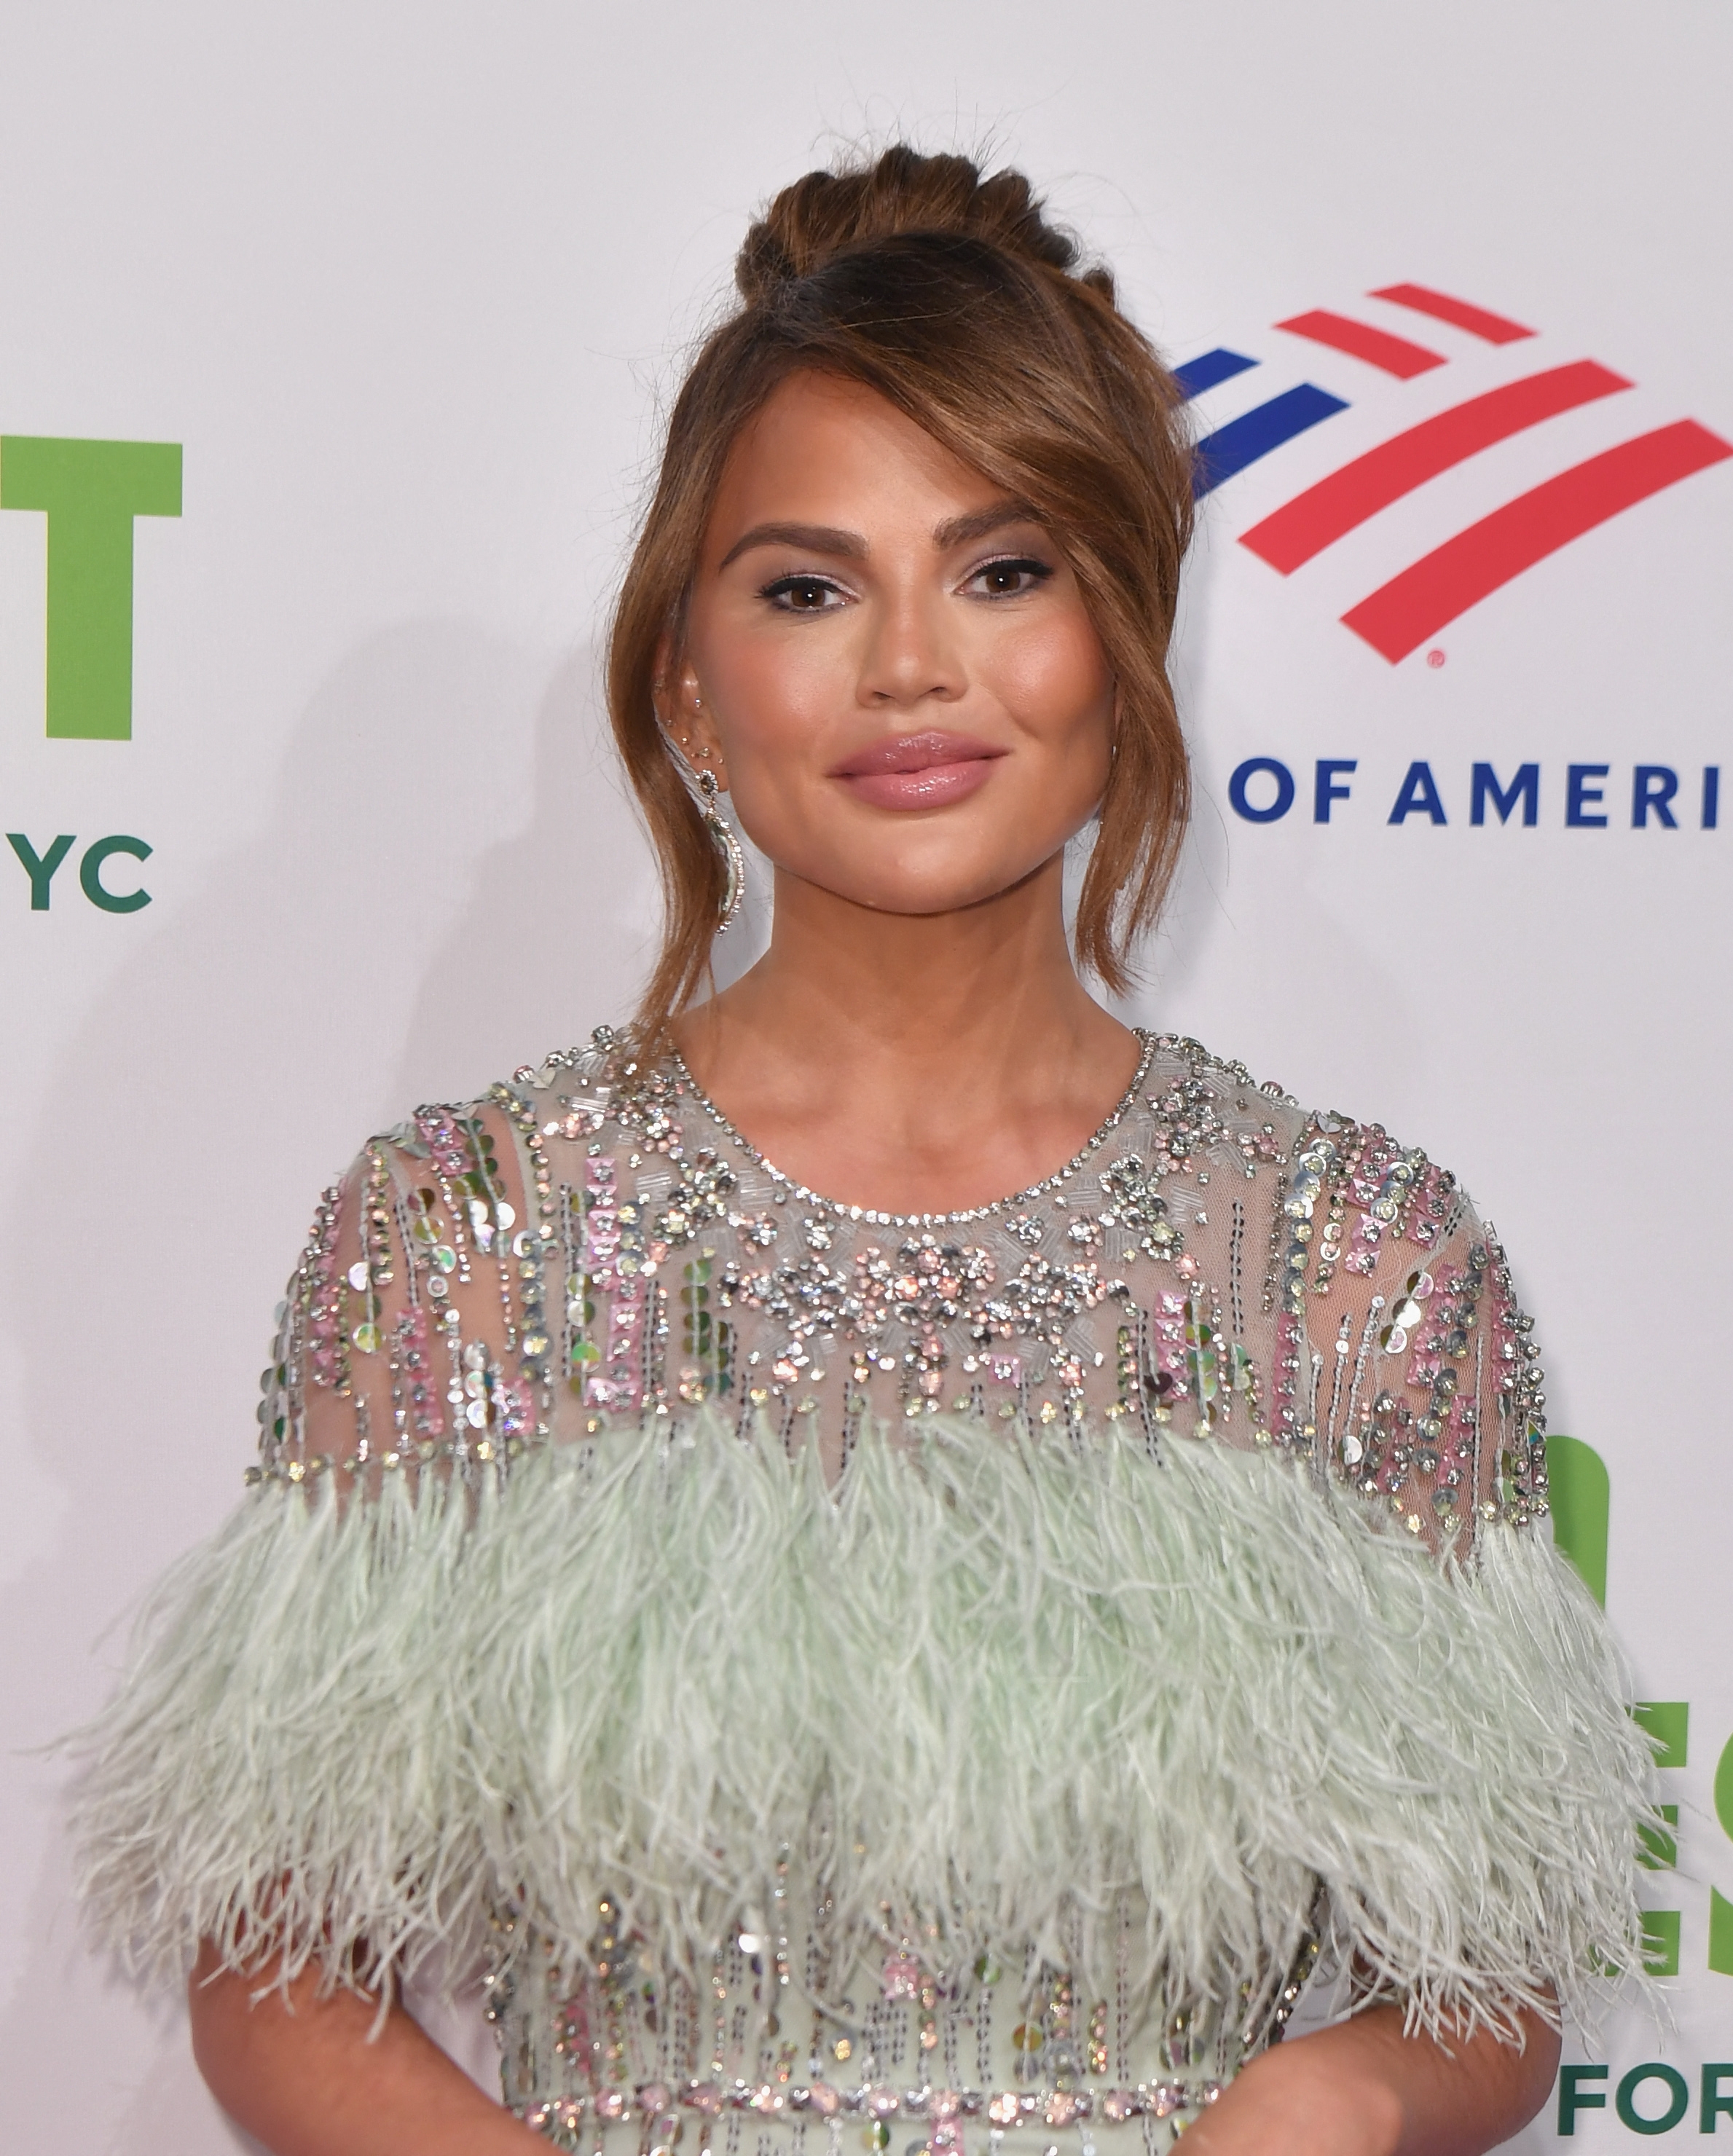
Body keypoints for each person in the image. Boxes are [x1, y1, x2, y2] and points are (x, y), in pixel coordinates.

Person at [73, 147, 1654, 2156]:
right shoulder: (469, 1236)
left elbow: (1487, 1987)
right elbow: (281, 1970)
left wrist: (1329, 2093)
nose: (910, 663)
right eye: (809, 588)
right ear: (690, 684)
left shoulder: (1354, 1263)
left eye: (1004, 572)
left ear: (1124, 642)